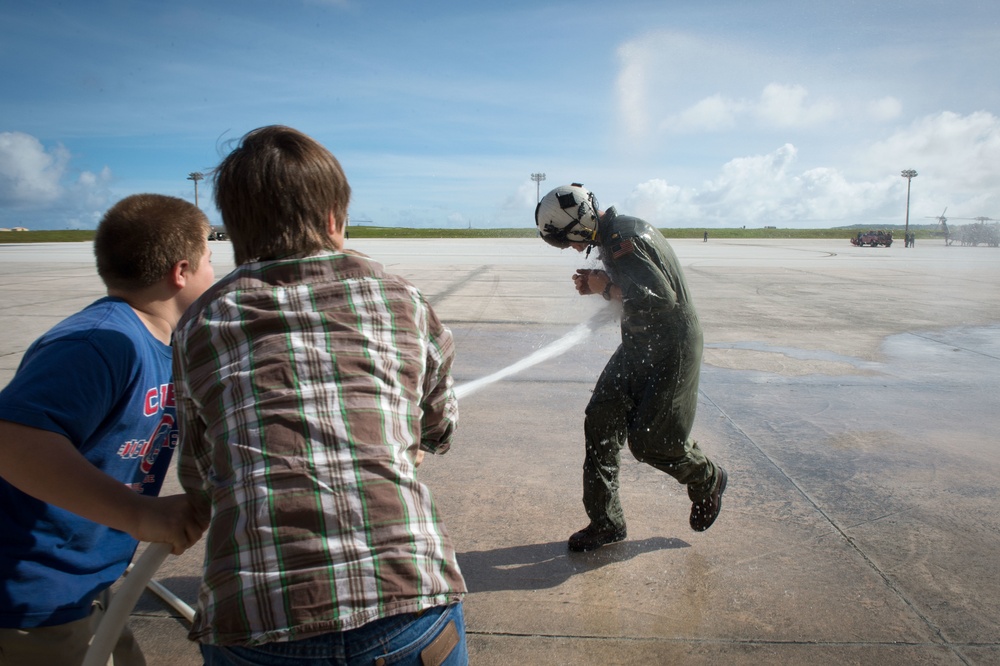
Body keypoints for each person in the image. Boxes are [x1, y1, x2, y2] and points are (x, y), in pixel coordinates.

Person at [173, 125, 468, 665]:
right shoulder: (400, 298)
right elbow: (439, 419)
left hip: (257, 617)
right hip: (407, 600)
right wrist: (418, 441)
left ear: (235, 228)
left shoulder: (201, 320)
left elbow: (199, 469)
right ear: (334, 217)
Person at [0, 194, 213, 665]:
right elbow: (11, 438)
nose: (213, 274)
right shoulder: (99, 341)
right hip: (31, 598)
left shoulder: (162, 343)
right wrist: (137, 513)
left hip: (85, 585)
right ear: (181, 271)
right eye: (210, 260)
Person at [535, 183, 728, 552]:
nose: (575, 248)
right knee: (601, 418)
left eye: (570, 240)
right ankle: (606, 523)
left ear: (578, 223)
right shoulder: (612, 237)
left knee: (654, 442)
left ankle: (707, 478)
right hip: (642, 344)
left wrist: (604, 287)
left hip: (672, 347)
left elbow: (658, 298)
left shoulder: (624, 238)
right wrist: (601, 286)